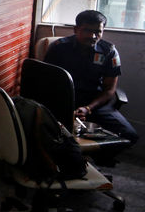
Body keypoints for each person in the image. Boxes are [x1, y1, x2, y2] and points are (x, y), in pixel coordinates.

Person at [44, 10, 138, 165]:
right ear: (76, 30)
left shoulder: (109, 52)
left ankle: (93, 160)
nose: (93, 36)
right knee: (52, 135)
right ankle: (72, 161)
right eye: (87, 31)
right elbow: (47, 81)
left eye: (98, 32)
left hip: (95, 102)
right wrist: (65, 107)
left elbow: (109, 90)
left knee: (129, 135)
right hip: (64, 100)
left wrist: (88, 108)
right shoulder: (59, 48)